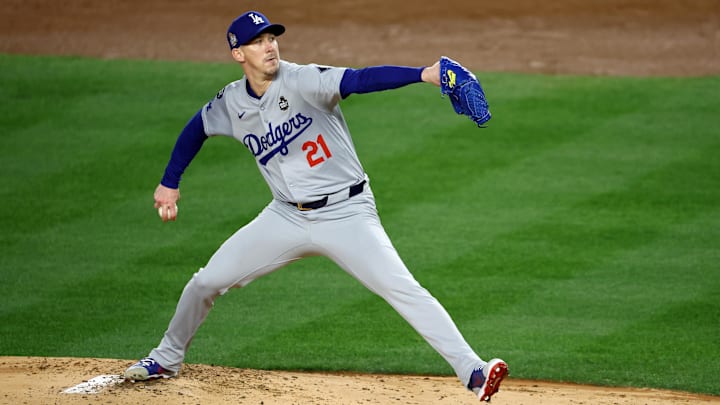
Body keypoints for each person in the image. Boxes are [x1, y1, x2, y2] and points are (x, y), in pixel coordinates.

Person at [124, 10, 508, 402]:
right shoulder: (231, 101)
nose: (269, 46)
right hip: (285, 216)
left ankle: (473, 370)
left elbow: (360, 79)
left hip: (347, 213)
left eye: (272, 38)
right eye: (257, 41)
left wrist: (425, 73)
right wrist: (169, 182)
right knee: (206, 282)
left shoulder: (303, 79)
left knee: (401, 288)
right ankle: (166, 358)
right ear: (238, 54)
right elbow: (197, 128)